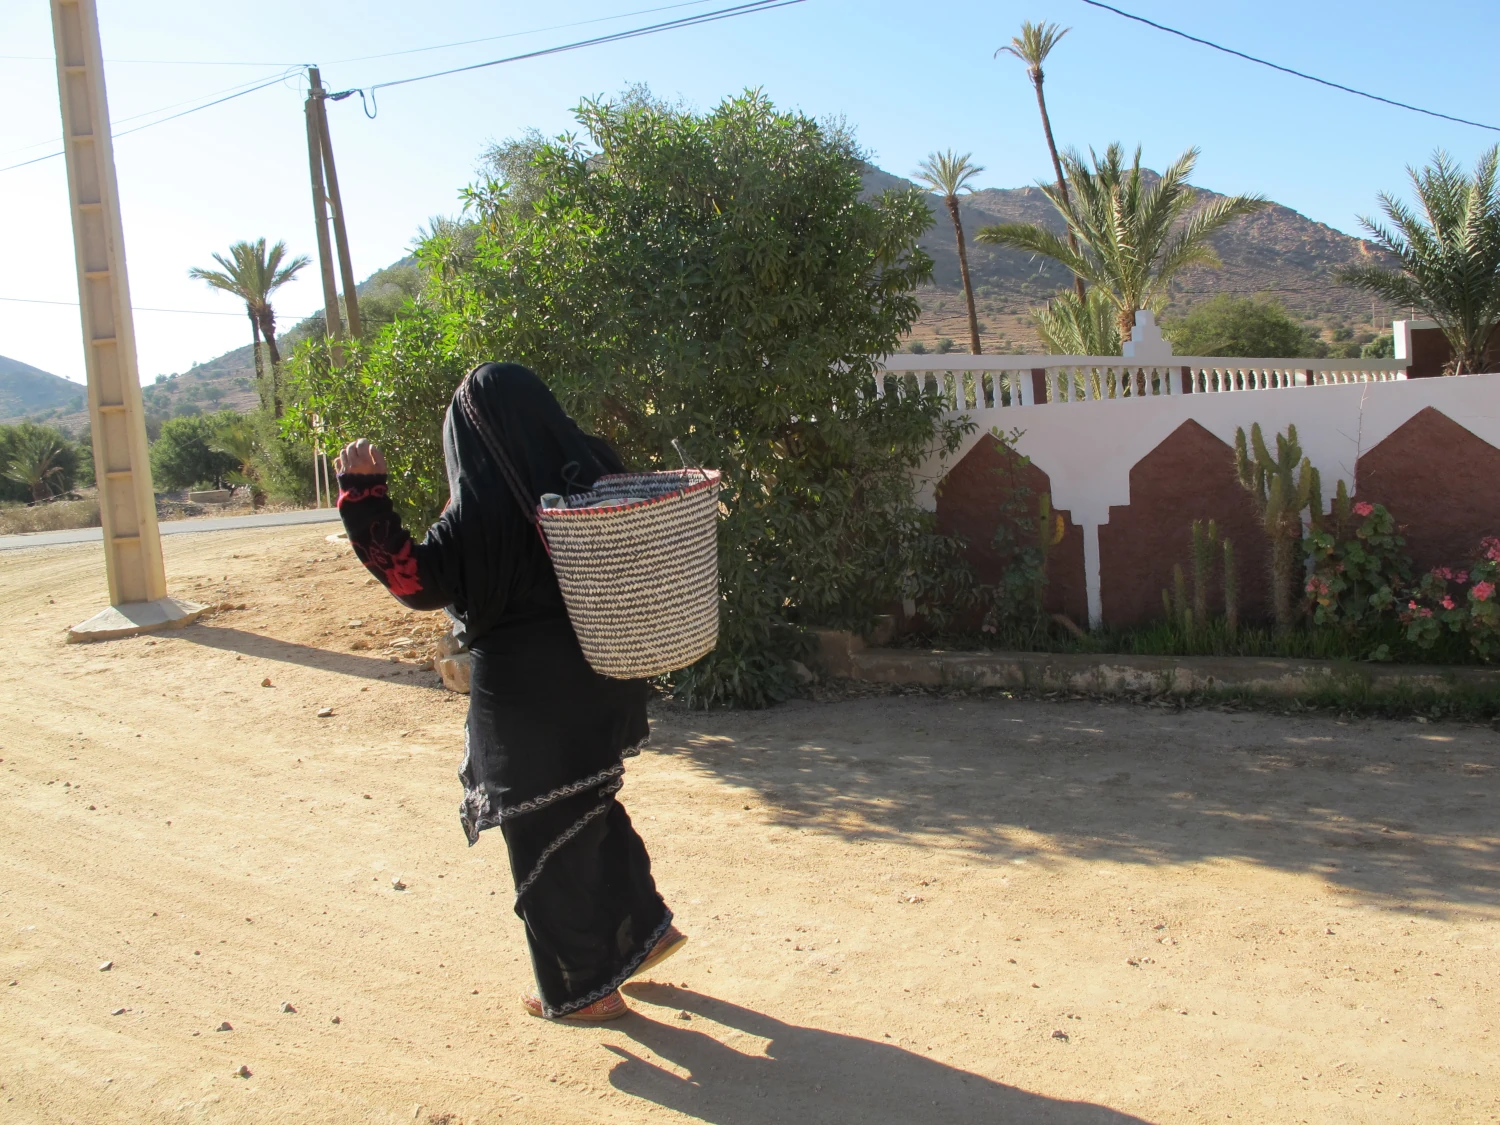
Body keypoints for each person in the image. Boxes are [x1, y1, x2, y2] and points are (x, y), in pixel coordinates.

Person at [334, 361, 686, 1022]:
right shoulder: (595, 472)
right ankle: (646, 930)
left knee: (538, 834)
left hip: (524, 701)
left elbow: (414, 582)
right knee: (589, 801)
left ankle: (583, 988)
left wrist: (364, 496)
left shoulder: (478, 514)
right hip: (602, 677)